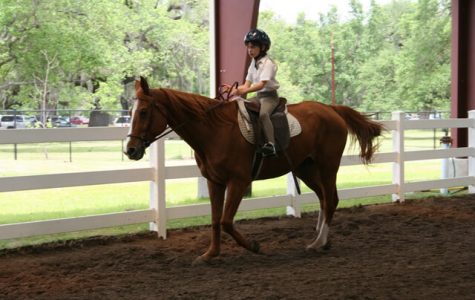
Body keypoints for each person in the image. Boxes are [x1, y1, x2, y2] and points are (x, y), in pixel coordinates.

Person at [231, 29, 280, 157]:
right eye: (248, 47)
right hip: (259, 97)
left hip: (270, 97)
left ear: (262, 47)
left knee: (264, 114)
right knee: (241, 108)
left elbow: (261, 84)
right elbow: (246, 84)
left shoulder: (268, 63)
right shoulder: (253, 63)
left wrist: (245, 90)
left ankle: (271, 145)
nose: (249, 50)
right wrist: (235, 90)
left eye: (253, 47)